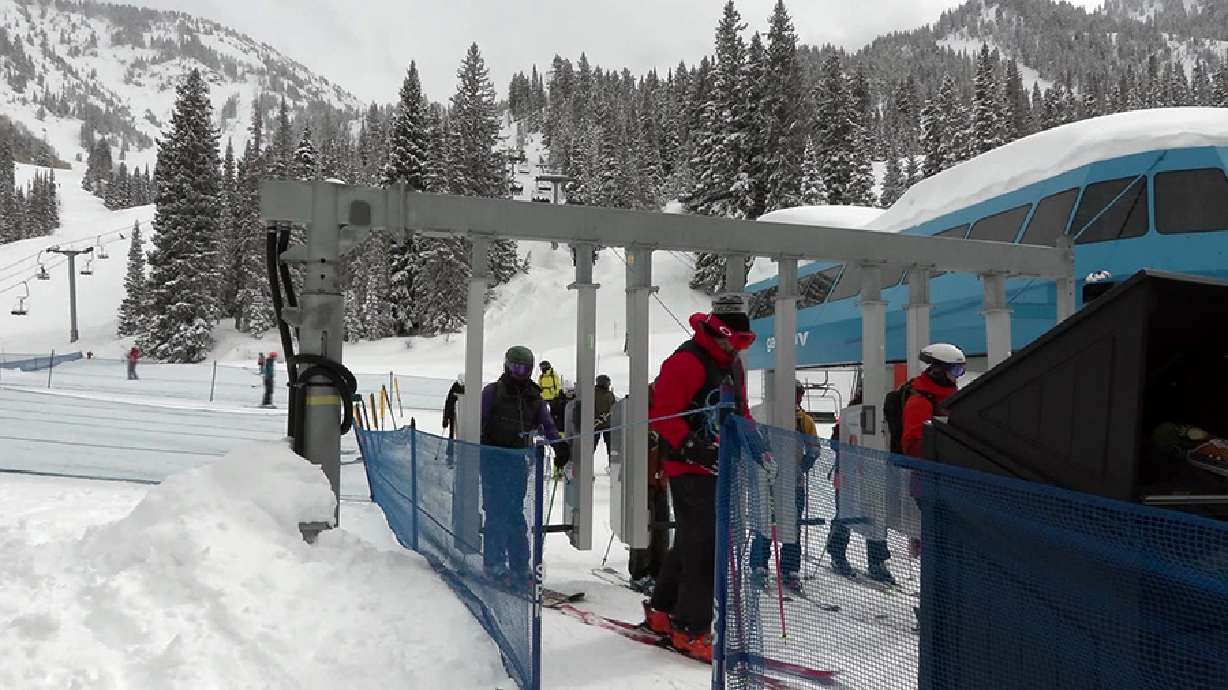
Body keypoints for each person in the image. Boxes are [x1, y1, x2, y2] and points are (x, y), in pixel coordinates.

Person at [642, 295, 755, 663]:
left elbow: (741, 412)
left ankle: (662, 610)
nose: (734, 349)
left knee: (693, 540)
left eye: (741, 343)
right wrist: (694, 447)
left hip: (719, 465)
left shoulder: (733, 366)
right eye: (732, 341)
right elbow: (661, 413)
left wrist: (758, 448)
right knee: (705, 545)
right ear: (718, 331)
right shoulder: (687, 361)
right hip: (687, 467)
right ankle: (690, 628)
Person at [480, 345, 563, 586]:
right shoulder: (493, 393)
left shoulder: (533, 398)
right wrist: (479, 451)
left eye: (526, 369)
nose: (521, 373)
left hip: (517, 462)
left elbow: (547, 425)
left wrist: (560, 446)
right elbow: (479, 423)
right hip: (493, 460)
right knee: (496, 512)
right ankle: (494, 563)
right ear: (507, 366)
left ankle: (519, 565)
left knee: (515, 514)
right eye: (516, 368)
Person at [748, 382, 820, 593]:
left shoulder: (803, 420)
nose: (797, 399)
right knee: (765, 523)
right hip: (768, 482)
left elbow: (814, 446)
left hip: (793, 482)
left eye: (799, 395)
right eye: (795, 394)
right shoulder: (767, 417)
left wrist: (808, 460)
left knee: (793, 526)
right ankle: (759, 565)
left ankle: (790, 569)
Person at [899, 343, 965, 457]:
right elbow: (914, 448)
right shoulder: (920, 403)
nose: (958, 376)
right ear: (938, 371)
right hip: (930, 471)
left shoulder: (952, 399)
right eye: (956, 370)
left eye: (961, 370)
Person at [593, 374, 616, 456]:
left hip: (596, 424)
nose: (609, 385)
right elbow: (614, 407)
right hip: (605, 424)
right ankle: (612, 465)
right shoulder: (609, 395)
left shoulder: (593, 393)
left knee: (591, 447)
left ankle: (586, 463)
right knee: (611, 448)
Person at [443, 374, 465, 441]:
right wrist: (446, 419)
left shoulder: (468, 388)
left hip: (463, 415)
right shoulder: (454, 388)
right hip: (453, 414)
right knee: (452, 432)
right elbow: (448, 403)